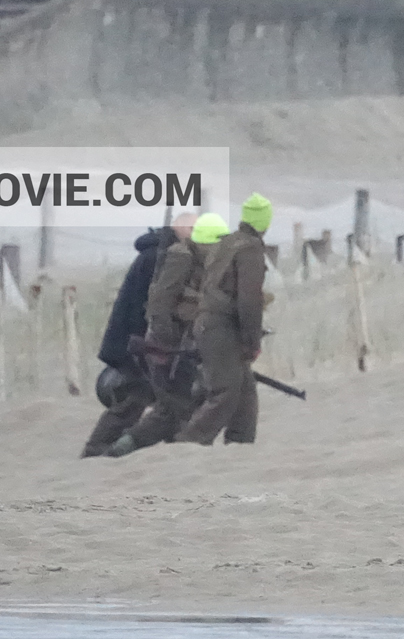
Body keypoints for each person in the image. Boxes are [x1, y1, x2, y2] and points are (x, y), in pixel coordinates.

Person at [105, 212, 229, 457]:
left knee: (179, 405)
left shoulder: (203, 263)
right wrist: (165, 344)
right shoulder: (179, 259)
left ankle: (162, 450)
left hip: (184, 346)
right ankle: (121, 449)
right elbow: (159, 307)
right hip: (168, 348)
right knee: (171, 409)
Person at [79, 215, 195, 458]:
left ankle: (166, 440)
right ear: (183, 229)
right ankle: (97, 449)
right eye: (194, 229)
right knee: (134, 396)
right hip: (135, 341)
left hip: (142, 340)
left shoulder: (162, 254)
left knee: (160, 395)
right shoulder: (158, 257)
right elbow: (151, 306)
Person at [181, 195, 272, 446]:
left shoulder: (228, 243)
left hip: (208, 324)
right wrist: (252, 341)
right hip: (222, 328)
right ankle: (187, 445)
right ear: (265, 221)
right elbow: (249, 301)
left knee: (244, 394)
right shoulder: (250, 248)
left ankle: (240, 445)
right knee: (225, 394)